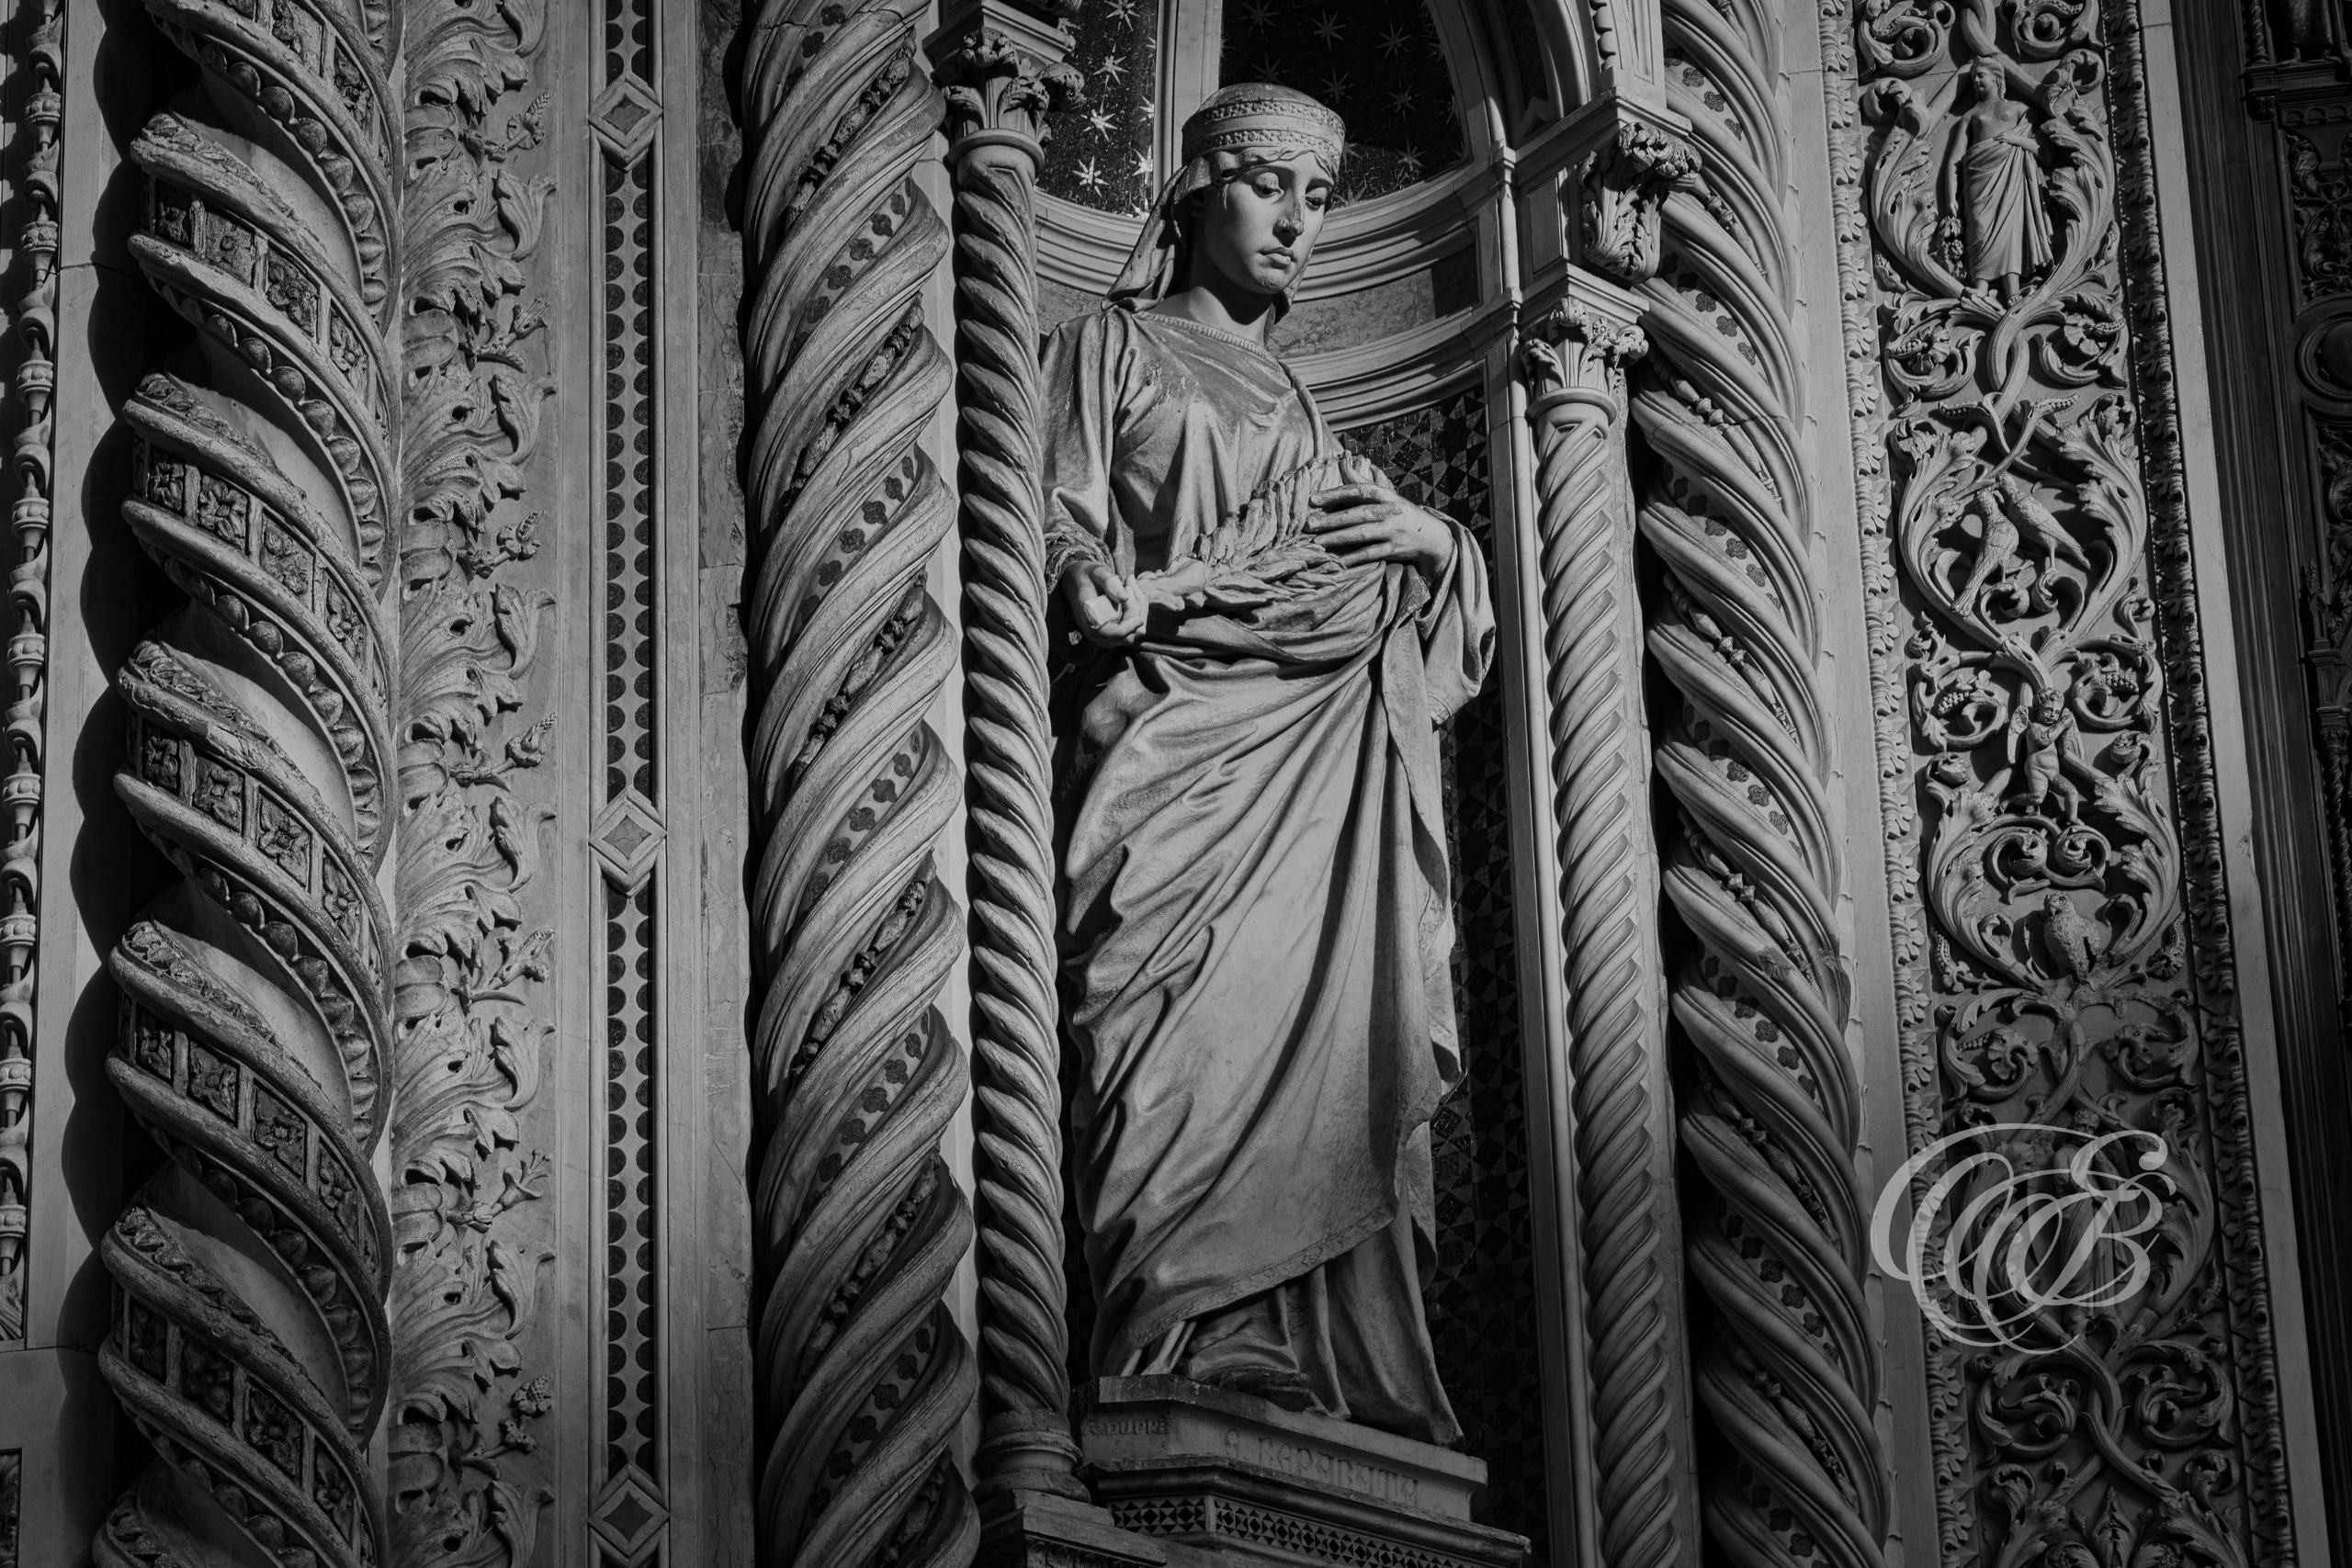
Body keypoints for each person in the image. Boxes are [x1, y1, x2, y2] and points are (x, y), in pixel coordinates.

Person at [1040, 83, 1493, 1447]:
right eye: (1268, 187)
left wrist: (1433, 545)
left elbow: (1403, 587)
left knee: (1319, 1046)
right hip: (1173, 754)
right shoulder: (1110, 346)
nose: (1297, 221)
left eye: (1318, 199)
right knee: (1175, 1046)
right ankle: (1181, 1328)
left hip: (1317, 772)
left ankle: (1320, 1358)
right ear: (1195, 194)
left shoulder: (1306, 402)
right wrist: (1086, 583)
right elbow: (1053, 518)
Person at [1940, 62, 2050, 304]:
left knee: (2010, 230)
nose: (1976, 81)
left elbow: (2043, 151)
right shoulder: (1970, 115)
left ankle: (2012, 290)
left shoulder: (2020, 110)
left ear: (1997, 77)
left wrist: (2015, 139)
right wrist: (1950, 196)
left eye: (1980, 76)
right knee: (1978, 226)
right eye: (1973, 78)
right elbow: (1954, 160)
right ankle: (1980, 285)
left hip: (2010, 178)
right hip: (1978, 180)